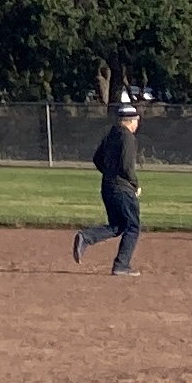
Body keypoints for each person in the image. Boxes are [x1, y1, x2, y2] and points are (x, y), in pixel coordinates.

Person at [70, 98, 145, 275]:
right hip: (123, 189)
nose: (137, 124)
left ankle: (86, 237)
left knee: (117, 226)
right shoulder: (128, 137)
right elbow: (127, 166)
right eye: (136, 121)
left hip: (107, 186)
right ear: (131, 121)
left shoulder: (111, 135)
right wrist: (134, 184)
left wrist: (109, 173)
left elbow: (97, 159)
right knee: (133, 227)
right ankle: (121, 265)